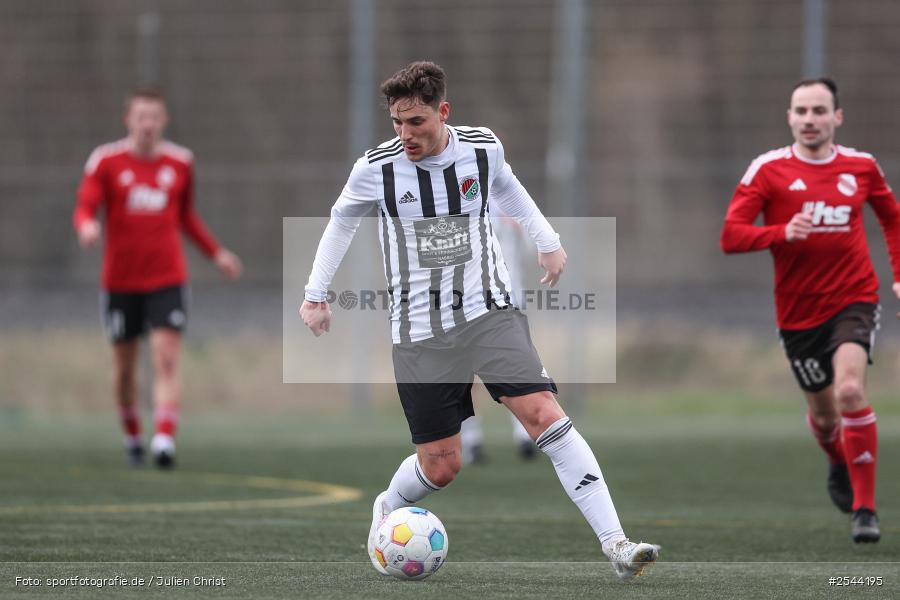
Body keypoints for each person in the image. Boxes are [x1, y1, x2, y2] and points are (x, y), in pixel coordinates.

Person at [300, 61, 659, 580]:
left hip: (489, 312)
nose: (405, 135)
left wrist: (548, 241)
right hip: (419, 332)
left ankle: (617, 545)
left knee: (543, 413)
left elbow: (509, 188)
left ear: (443, 112)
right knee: (442, 465)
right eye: (397, 123)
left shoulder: (482, 149)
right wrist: (315, 295)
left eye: (416, 122)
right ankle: (388, 507)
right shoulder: (375, 169)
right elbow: (339, 225)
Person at [720, 77, 900, 543]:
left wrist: (896, 275)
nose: (810, 120)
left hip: (855, 298)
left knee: (849, 389)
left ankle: (865, 509)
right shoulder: (767, 170)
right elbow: (731, 236)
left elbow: (892, 218)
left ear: (836, 117)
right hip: (798, 313)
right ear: (789, 118)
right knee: (824, 418)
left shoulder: (861, 166)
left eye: (820, 111)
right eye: (801, 111)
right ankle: (839, 459)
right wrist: (780, 233)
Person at [74, 87, 243, 469]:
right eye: (140, 116)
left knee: (166, 358)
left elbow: (186, 217)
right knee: (124, 369)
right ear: (128, 119)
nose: (147, 124)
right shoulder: (105, 161)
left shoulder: (181, 162)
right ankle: (133, 436)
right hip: (120, 282)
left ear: (163, 120)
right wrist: (86, 226)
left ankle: (164, 439)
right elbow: (86, 204)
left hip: (167, 279)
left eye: (154, 116)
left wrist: (217, 253)